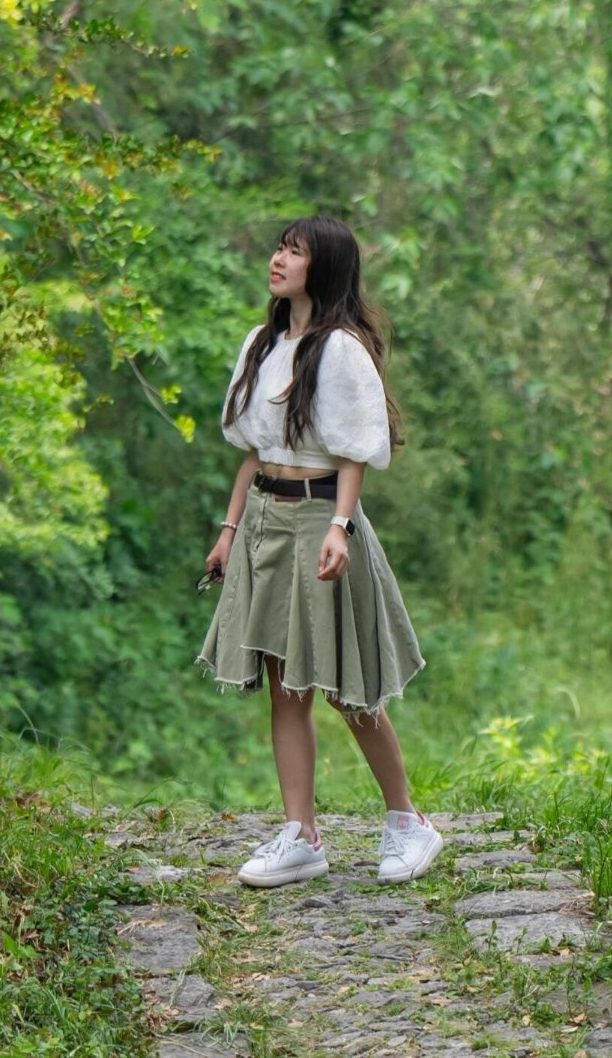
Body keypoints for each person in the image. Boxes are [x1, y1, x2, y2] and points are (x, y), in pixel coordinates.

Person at [198, 213, 442, 889]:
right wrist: (228, 531)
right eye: (279, 246)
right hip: (265, 521)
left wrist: (341, 525)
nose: (278, 259)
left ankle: (407, 822)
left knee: (347, 684)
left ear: (322, 268)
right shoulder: (262, 342)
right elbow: (256, 453)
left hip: (320, 518)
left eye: (295, 252)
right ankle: (301, 834)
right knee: (286, 685)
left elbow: (355, 450)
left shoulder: (340, 349)